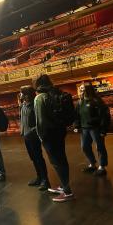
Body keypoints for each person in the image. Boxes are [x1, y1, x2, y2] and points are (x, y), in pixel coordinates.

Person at [34, 74, 74, 202]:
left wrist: (41, 137)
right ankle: (63, 186)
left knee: (56, 162)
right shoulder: (54, 93)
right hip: (60, 131)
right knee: (62, 158)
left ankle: (67, 192)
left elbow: (41, 121)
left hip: (49, 134)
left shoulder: (40, 97)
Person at [74, 83, 110, 176]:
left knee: (100, 147)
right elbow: (77, 115)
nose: (81, 90)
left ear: (88, 89)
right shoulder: (80, 102)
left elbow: (104, 116)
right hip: (84, 129)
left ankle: (102, 167)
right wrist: (77, 126)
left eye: (83, 89)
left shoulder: (96, 100)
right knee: (85, 147)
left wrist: (103, 130)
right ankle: (92, 164)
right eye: (80, 89)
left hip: (96, 129)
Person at [19, 85, 50, 190]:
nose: (20, 95)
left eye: (22, 93)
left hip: (33, 136)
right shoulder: (23, 105)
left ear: (27, 95)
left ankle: (45, 180)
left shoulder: (34, 105)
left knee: (38, 158)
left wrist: (32, 132)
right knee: (33, 158)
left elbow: (39, 121)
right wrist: (22, 131)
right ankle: (39, 177)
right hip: (26, 136)